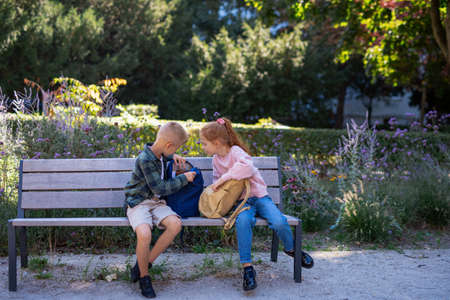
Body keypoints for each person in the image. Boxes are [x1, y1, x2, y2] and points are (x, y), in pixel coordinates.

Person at [199, 117, 313, 291]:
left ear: (216, 143)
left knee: (279, 221)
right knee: (242, 222)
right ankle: (248, 269)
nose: (203, 147)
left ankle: (291, 250)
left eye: (204, 143)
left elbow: (248, 168)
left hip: (259, 197)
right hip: (241, 203)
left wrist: (225, 177)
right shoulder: (216, 160)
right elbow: (218, 184)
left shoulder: (236, 151)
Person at [124, 122, 196, 298]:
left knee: (175, 224)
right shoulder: (145, 159)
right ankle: (144, 277)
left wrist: (174, 157)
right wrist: (185, 178)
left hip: (156, 203)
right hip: (138, 202)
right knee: (144, 233)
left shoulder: (162, 153)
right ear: (169, 145)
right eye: (176, 148)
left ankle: (144, 263)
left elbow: (159, 192)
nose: (175, 152)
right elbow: (161, 188)